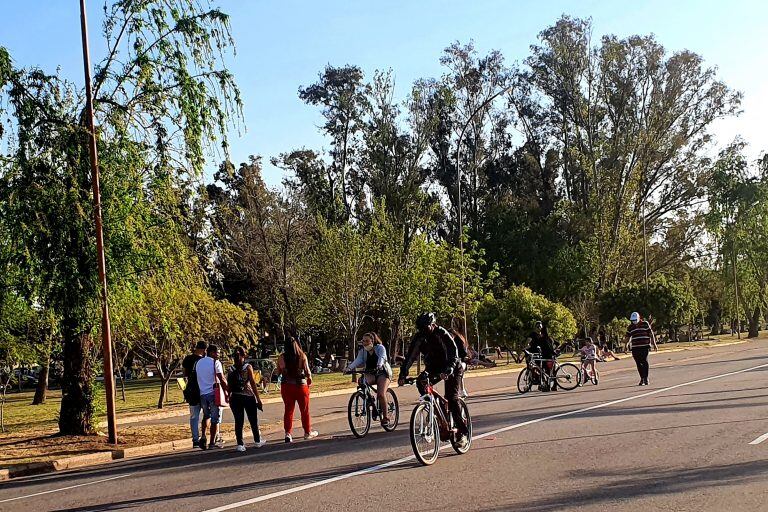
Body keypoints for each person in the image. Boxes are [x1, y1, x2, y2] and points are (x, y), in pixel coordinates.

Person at [397, 313, 469, 449]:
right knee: (421, 382)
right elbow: (411, 356)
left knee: (452, 398)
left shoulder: (442, 333)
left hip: (452, 366)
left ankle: (462, 433)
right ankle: (438, 412)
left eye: (426, 328)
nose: (424, 331)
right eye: (421, 329)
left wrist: (449, 370)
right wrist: (402, 375)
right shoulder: (420, 337)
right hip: (434, 367)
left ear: (433, 324)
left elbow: (453, 352)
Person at [344, 332, 392, 424]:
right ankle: (370, 400)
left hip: (382, 373)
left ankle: (386, 417)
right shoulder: (363, 351)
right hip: (370, 372)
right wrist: (349, 368)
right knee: (362, 381)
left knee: (381, 394)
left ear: (372, 341)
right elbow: (358, 360)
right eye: (363, 341)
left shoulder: (380, 348)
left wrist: (379, 364)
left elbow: (382, 357)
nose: (364, 343)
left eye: (367, 341)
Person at [277, 337, 318, 443]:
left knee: (288, 410)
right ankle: (307, 432)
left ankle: (288, 433)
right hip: (301, 386)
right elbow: (308, 372)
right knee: (305, 410)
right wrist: (309, 380)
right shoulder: (302, 356)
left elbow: (279, 372)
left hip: (287, 386)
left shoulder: (282, 357)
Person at [228, 347, 265, 452]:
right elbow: (253, 383)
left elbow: (229, 384)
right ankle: (257, 440)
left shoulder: (231, 369)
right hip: (248, 396)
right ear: (244, 355)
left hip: (235, 397)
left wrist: (228, 395)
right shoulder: (248, 367)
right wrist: (258, 398)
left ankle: (240, 444)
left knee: (238, 421)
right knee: (253, 419)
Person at [196, 344, 229, 450]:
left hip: (202, 393)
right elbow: (222, 378)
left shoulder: (199, 362)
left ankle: (204, 436)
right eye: (217, 352)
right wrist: (227, 392)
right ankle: (211, 443)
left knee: (206, 416)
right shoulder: (215, 363)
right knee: (215, 419)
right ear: (211, 352)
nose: (218, 354)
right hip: (214, 393)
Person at [182, 341, 206, 448]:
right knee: (207, 414)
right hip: (203, 389)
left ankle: (195, 440)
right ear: (203, 349)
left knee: (194, 416)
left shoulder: (187, 359)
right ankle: (205, 436)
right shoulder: (204, 361)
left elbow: (185, 374)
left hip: (192, 390)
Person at [623, 312, 658, 386]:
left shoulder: (645, 324)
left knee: (644, 361)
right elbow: (628, 337)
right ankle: (642, 378)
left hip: (644, 346)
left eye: (635, 320)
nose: (634, 321)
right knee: (638, 363)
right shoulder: (630, 327)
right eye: (632, 320)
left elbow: (651, 334)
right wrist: (626, 345)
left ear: (639, 318)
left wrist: (654, 344)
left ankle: (646, 378)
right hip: (635, 347)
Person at [527, 321, 557, 391]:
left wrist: (527, 349)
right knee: (552, 372)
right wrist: (554, 350)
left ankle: (547, 385)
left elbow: (534, 346)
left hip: (545, 357)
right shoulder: (550, 338)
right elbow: (557, 343)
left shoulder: (541, 339)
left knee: (543, 370)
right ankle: (554, 386)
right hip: (552, 356)